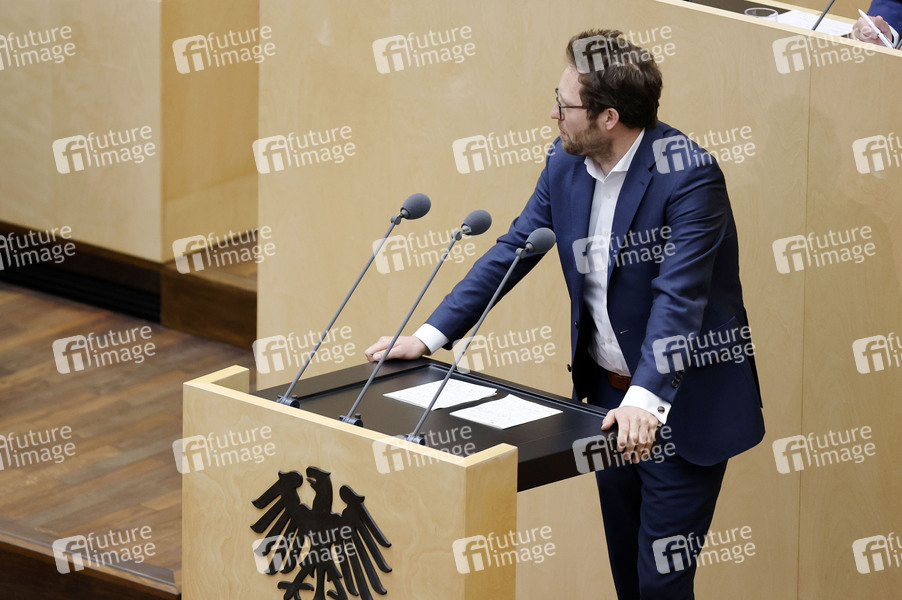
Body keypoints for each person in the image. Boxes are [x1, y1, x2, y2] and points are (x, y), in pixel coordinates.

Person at [365, 29, 765, 599]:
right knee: (628, 573)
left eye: (564, 104)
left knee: (661, 585)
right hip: (607, 404)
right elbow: (514, 249)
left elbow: (680, 299)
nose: (553, 114)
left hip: (679, 408)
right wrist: (428, 337)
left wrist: (645, 402)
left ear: (608, 117)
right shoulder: (565, 162)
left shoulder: (689, 175)